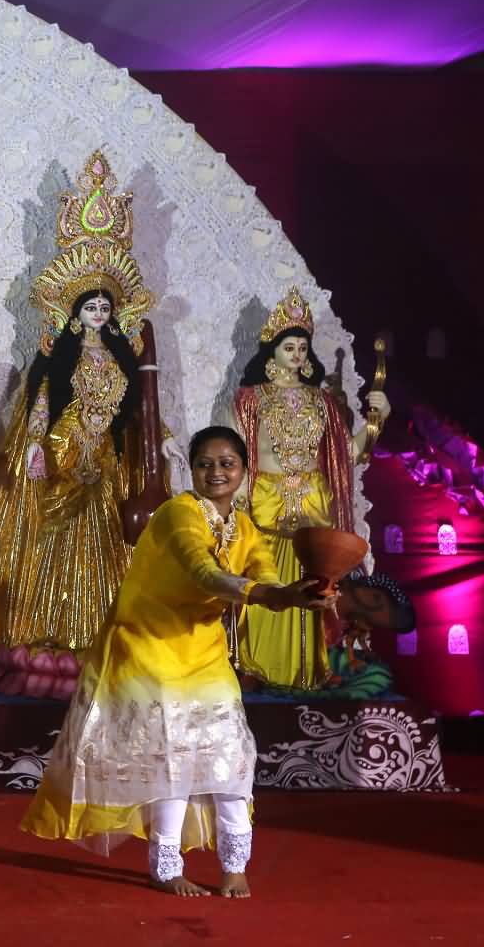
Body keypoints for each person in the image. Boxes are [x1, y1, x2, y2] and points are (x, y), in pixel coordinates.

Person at [20, 426, 330, 897]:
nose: (216, 472)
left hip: (203, 656)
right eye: (205, 463)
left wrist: (304, 593)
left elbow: (264, 574)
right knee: (172, 764)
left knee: (232, 760)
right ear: (192, 469)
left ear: (245, 471)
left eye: (227, 463)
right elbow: (203, 572)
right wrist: (271, 594)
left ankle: (234, 866)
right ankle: (167, 868)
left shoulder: (244, 527)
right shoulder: (176, 515)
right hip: (149, 650)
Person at [0, 152, 184, 693]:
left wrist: (164, 443)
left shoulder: (122, 357)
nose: (98, 313)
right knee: (55, 541)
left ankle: (97, 633)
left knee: (106, 545)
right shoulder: (59, 357)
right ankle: (46, 629)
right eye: (90, 306)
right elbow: (42, 401)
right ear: (74, 313)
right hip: (65, 450)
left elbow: (138, 414)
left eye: (105, 307)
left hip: (107, 457)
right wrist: (32, 447)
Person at [227, 287, 389, 690]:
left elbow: (343, 459)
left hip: (314, 511)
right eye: (289, 346)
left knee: (316, 589)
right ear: (272, 351)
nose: (298, 354)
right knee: (264, 584)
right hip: (264, 508)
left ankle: (311, 673)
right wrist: (238, 500)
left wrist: (376, 422)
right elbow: (235, 453)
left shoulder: (324, 403)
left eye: (302, 347)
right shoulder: (249, 400)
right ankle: (254, 669)